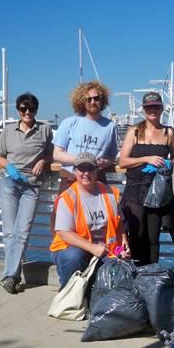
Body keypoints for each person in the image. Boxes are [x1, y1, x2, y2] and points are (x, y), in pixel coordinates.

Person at [0, 92, 54, 294]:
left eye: (31, 109)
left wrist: (42, 161)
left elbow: (51, 153)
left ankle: (9, 276)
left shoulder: (44, 130)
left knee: (23, 231)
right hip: (9, 184)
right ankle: (11, 277)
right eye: (23, 109)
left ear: (36, 110)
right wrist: (9, 167)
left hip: (32, 186)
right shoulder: (8, 130)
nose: (27, 112)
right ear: (18, 110)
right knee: (10, 233)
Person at [50, 152, 131, 288]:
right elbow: (64, 233)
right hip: (71, 248)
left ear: (97, 170)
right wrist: (92, 248)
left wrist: (123, 247)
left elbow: (119, 225)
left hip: (105, 250)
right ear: (75, 171)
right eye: (81, 169)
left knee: (121, 267)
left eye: (90, 168)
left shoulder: (110, 193)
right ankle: (68, 296)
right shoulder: (68, 198)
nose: (86, 173)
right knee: (74, 257)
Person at [49, 80, 119, 234]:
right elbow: (57, 154)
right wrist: (83, 161)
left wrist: (104, 162)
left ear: (103, 100)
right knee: (62, 222)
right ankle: (65, 254)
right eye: (88, 99)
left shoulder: (111, 127)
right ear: (82, 101)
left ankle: (96, 254)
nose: (92, 101)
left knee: (99, 223)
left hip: (97, 179)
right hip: (71, 178)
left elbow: (112, 156)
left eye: (96, 98)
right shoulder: (70, 123)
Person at [118, 92, 174, 265]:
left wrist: (168, 163)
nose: (153, 110)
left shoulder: (169, 133)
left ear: (162, 108)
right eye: (148, 107)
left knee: (153, 237)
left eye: (156, 107)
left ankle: (151, 276)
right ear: (143, 110)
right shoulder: (134, 131)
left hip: (157, 193)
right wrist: (146, 159)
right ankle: (134, 274)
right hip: (134, 192)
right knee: (136, 235)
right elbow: (123, 161)